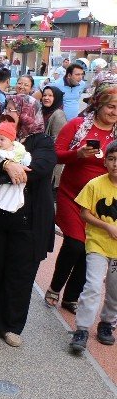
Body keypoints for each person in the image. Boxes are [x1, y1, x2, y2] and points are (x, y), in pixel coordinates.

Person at [0, 95, 57, 347]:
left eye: (14, 110)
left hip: (28, 221)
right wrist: (6, 164)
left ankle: (12, 325)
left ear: (28, 114)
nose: (8, 113)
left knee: (20, 273)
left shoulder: (43, 142)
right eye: (7, 108)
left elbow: (37, 170)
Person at [46, 72, 117, 312]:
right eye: (111, 107)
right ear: (98, 105)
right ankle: (55, 287)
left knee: (91, 249)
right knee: (76, 244)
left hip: (100, 203)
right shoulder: (78, 125)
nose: (114, 112)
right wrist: (77, 154)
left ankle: (71, 297)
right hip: (70, 195)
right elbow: (55, 153)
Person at [69, 139, 117, 351]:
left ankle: (107, 323)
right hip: (97, 244)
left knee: (115, 289)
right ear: (105, 161)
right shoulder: (95, 184)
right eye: (112, 159)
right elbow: (84, 212)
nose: (115, 164)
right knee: (93, 286)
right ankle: (82, 328)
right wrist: (106, 226)